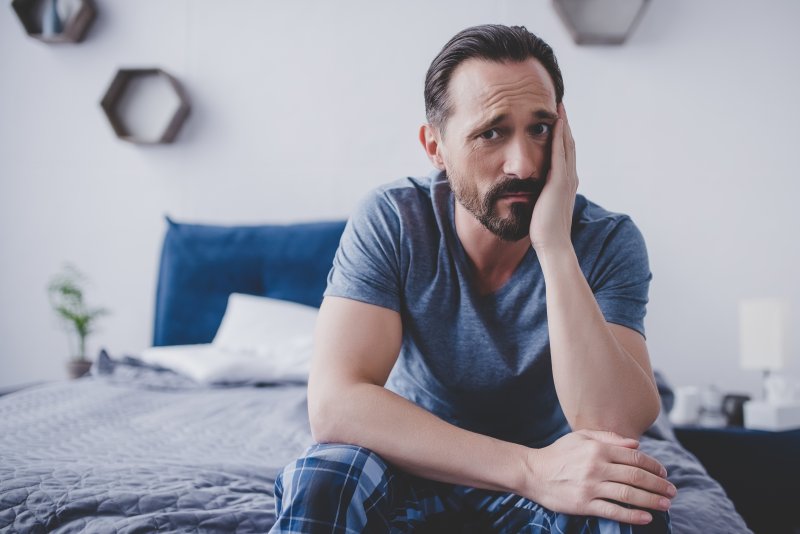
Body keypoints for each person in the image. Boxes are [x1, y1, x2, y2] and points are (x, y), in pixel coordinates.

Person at [271, 24, 674, 533]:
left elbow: (613, 425)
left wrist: (553, 245)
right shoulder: (395, 220)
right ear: (435, 146)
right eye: (492, 132)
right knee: (326, 476)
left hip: (559, 475)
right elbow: (334, 405)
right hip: (419, 462)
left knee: (630, 505)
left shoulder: (607, 241)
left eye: (540, 128)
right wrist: (527, 470)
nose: (523, 163)